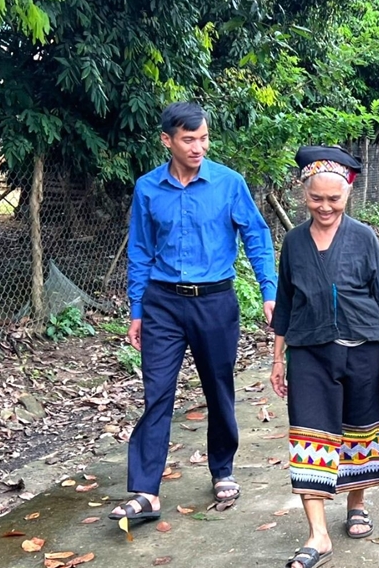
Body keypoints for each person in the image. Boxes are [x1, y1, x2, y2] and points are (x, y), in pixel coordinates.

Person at [113, 102, 276, 522]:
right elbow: (141, 250)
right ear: (167, 140)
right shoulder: (148, 188)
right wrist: (137, 309)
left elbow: (256, 236)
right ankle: (146, 492)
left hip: (215, 302)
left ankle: (223, 469)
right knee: (157, 394)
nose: (198, 147)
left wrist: (268, 292)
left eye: (203, 138)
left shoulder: (229, 183)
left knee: (218, 388)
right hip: (162, 304)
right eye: (189, 139)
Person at [270, 146, 379, 568]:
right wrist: (277, 357)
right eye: (316, 199)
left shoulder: (363, 237)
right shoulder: (292, 242)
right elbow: (286, 304)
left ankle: (357, 503)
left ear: (348, 195)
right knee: (309, 436)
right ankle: (317, 534)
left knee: (359, 432)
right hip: (308, 353)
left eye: (334, 199)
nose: (325, 207)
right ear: (303, 196)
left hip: (363, 349)